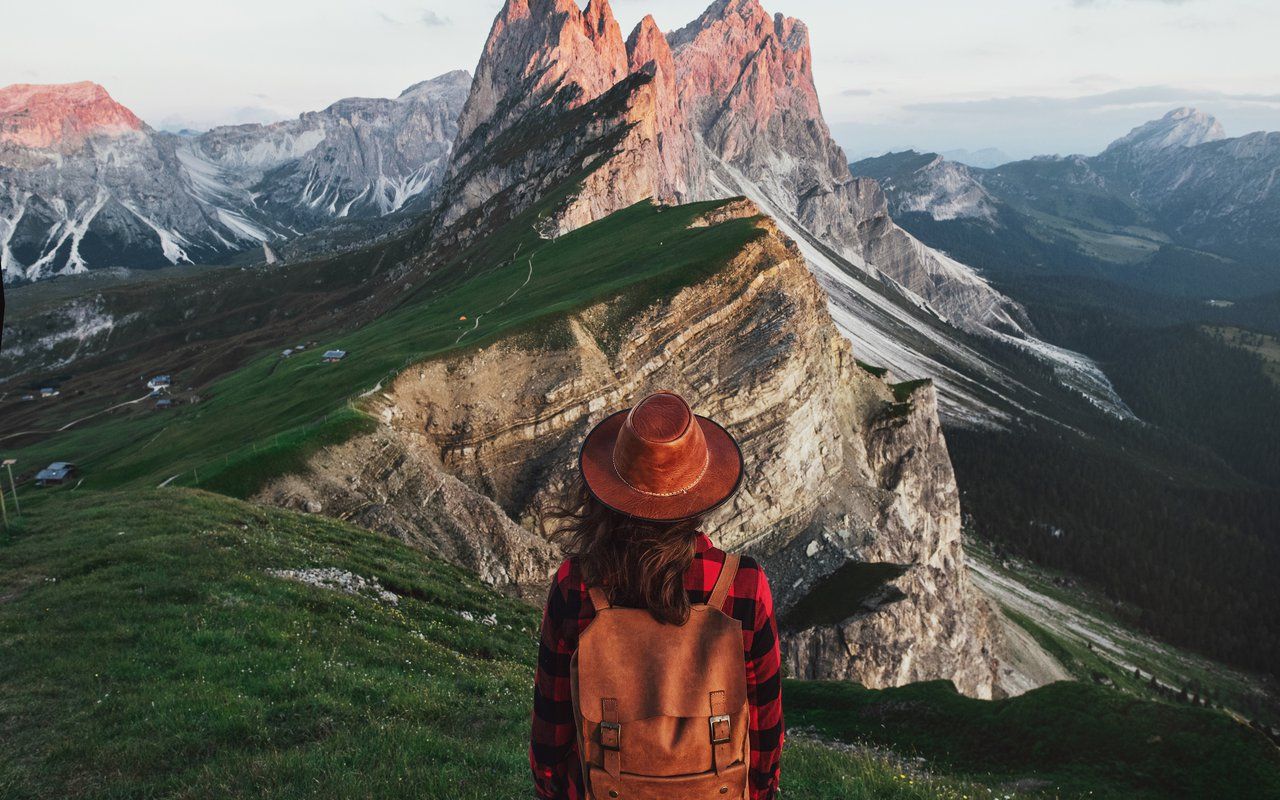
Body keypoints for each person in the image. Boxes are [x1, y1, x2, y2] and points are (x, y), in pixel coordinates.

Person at [531, 391, 783, 800]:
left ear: (611, 489)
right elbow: (765, 721)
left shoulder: (575, 585)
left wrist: (553, 787)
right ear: (699, 492)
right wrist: (760, 790)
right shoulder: (743, 585)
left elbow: (551, 728)